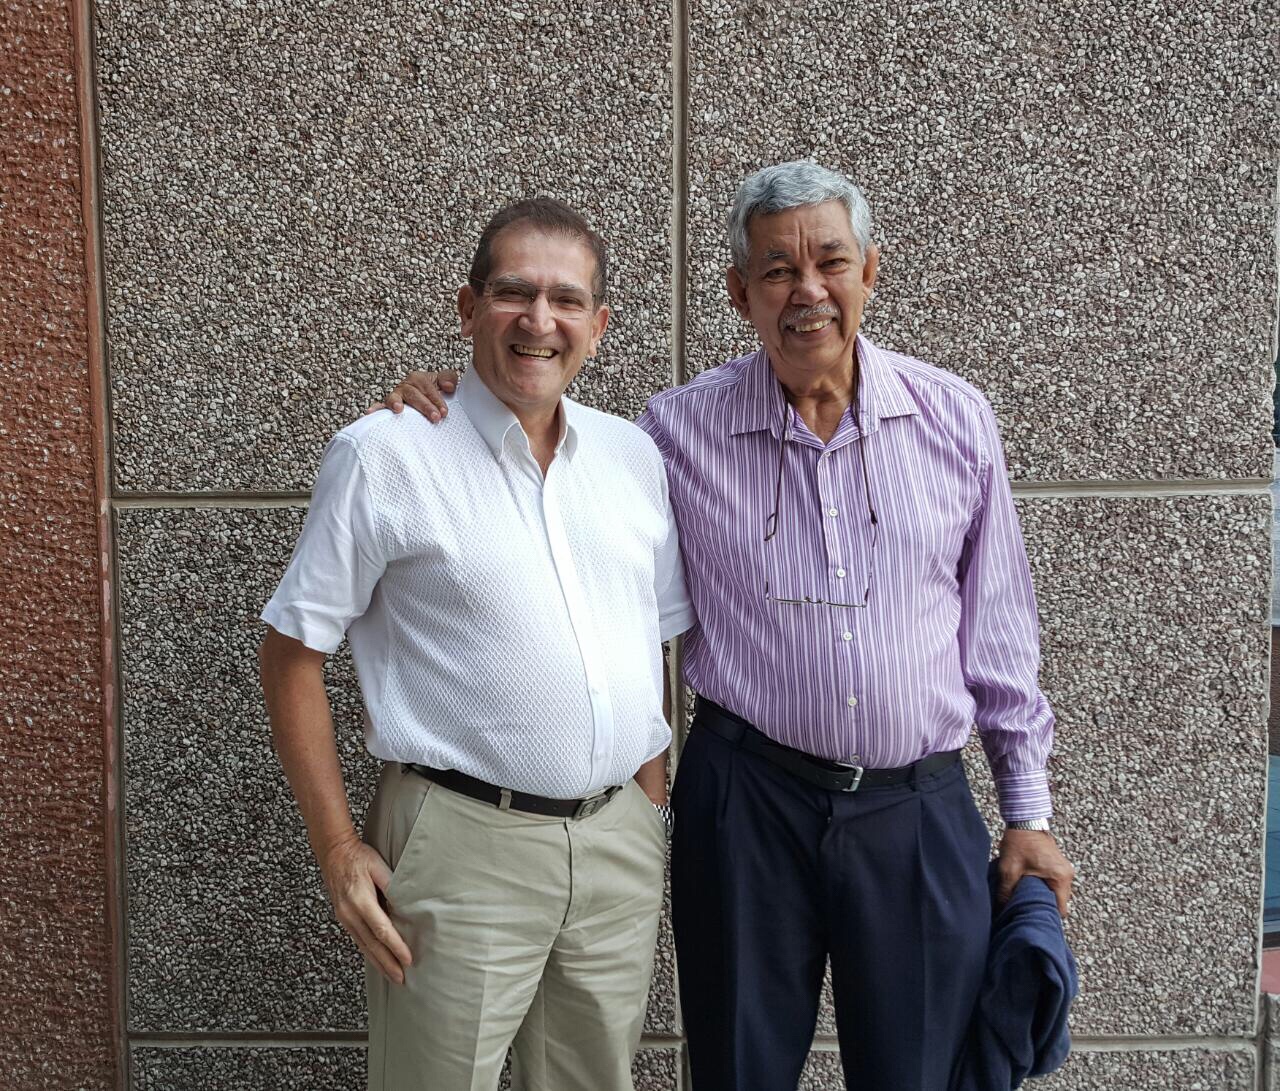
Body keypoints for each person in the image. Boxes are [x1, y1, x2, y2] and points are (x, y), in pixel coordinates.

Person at [383, 162, 1074, 1091]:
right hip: (748, 803)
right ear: (740, 292)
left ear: (871, 270)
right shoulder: (671, 433)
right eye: (777, 270)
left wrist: (1028, 812)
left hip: (916, 810)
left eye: (831, 262)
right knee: (738, 1071)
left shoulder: (955, 419)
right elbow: (547, 457)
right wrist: (453, 402)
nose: (807, 290)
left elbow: (1001, 635)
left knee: (921, 1072)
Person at [259, 197, 694, 1091]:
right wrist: (337, 847)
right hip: (460, 845)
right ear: (469, 309)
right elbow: (291, 651)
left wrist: (647, 806)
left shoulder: (632, 458)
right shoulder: (385, 454)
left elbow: (652, 640)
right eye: (514, 292)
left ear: (599, 326)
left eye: (567, 300)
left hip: (615, 844)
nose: (540, 320)